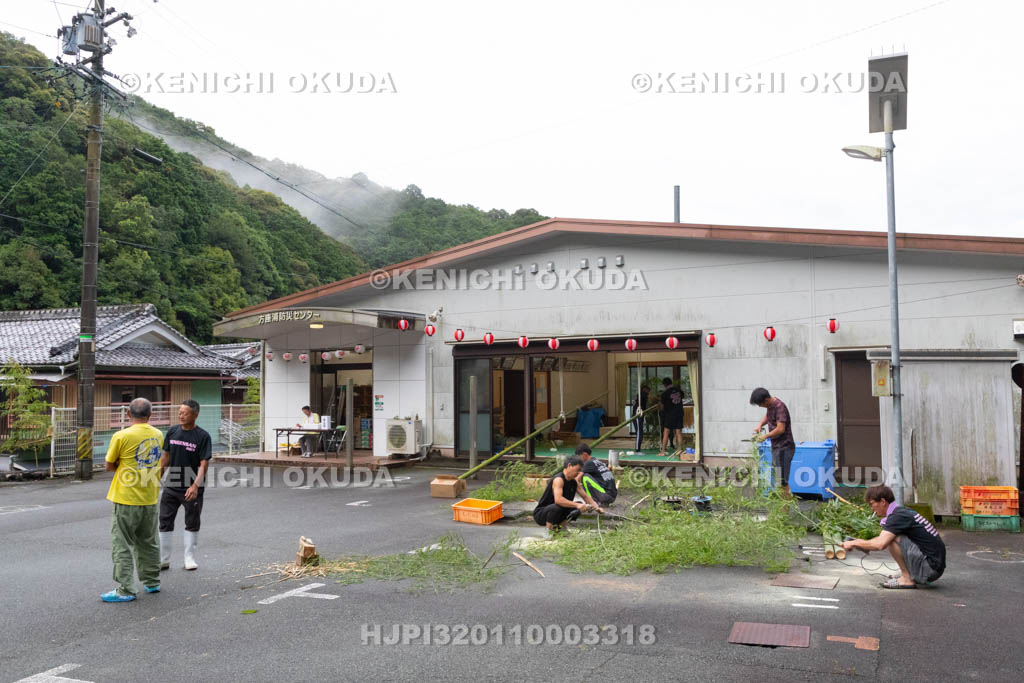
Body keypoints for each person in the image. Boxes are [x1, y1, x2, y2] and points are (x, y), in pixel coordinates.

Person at [101, 397, 164, 602]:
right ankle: (152, 581)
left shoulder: (121, 436)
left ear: (128, 414)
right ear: (150, 415)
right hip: (149, 496)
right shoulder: (158, 434)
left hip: (126, 497)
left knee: (122, 543)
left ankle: (126, 589)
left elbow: (109, 465)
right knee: (149, 541)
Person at [842, 485, 946, 589]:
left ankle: (906, 579)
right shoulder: (901, 512)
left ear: (882, 502)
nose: (871, 508)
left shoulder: (897, 516)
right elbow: (880, 539)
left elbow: (880, 544)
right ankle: (907, 574)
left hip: (929, 569)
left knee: (891, 539)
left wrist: (854, 543)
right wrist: (859, 543)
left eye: (872, 504)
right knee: (891, 536)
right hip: (935, 566)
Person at [159, 399, 212, 571]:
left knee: (192, 521)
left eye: (185, 412)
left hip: (192, 487)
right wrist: (156, 477)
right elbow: (165, 457)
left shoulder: (203, 436)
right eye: (180, 412)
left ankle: (189, 558)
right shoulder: (172, 431)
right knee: (165, 521)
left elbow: (204, 464)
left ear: (195, 415)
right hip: (171, 484)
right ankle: (164, 559)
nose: (181, 415)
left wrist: (195, 486)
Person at [533, 456, 604, 536]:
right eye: (577, 470)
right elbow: (558, 500)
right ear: (569, 466)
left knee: (577, 506)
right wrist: (578, 505)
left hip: (558, 511)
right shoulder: (559, 479)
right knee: (558, 506)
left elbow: (585, 497)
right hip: (541, 514)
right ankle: (548, 531)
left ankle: (561, 528)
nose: (579, 473)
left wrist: (597, 507)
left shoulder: (574, 482)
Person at [750, 387, 795, 495]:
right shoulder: (770, 405)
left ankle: (786, 508)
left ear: (765, 400)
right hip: (777, 447)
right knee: (779, 478)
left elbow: (780, 429)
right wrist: (760, 425)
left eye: (760, 404)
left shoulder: (780, 407)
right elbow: (768, 416)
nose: (760, 406)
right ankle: (784, 506)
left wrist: (765, 436)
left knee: (782, 480)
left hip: (784, 447)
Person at [658, 377, 684, 458]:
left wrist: (660, 407)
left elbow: (662, 407)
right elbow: (681, 397)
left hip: (670, 414)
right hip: (679, 413)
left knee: (666, 432)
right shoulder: (679, 390)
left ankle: (662, 451)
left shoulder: (665, 393)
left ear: (665, 385)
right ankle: (680, 451)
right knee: (678, 433)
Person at [632, 384, 651, 451]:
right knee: (639, 433)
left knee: (640, 432)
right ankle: (637, 449)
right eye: (647, 391)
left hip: (640, 416)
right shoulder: (641, 395)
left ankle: (638, 448)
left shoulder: (643, 396)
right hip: (637, 416)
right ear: (644, 390)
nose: (648, 392)